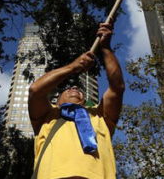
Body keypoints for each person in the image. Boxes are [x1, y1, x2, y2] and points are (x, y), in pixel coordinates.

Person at [28, 23, 124, 179]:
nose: (74, 87)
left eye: (80, 90)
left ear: (85, 100)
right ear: (56, 100)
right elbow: (35, 91)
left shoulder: (100, 117)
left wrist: (105, 48)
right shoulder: (47, 116)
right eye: (66, 89)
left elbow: (117, 88)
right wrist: (73, 67)